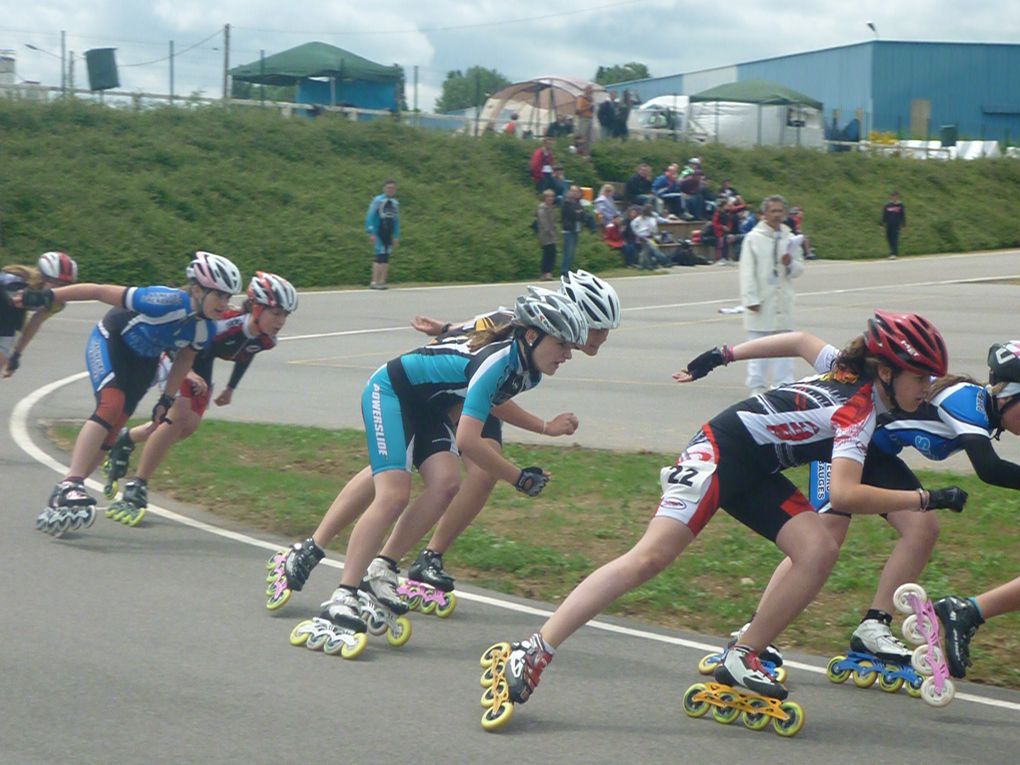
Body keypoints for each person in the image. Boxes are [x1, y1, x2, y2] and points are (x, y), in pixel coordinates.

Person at [486, 310, 966, 719]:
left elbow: (799, 341)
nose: (927, 387)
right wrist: (922, 500)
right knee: (649, 559)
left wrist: (723, 354)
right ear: (885, 370)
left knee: (817, 548)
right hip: (717, 453)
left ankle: (743, 655)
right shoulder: (858, 411)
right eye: (920, 377)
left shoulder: (847, 370)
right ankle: (537, 648)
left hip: (757, 467)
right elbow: (845, 491)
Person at [266, 273, 620, 612]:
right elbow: (470, 433)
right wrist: (519, 477)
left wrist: (544, 429)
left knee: (442, 482)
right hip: (396, 391)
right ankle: (343, 588)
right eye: (572, 340)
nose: (577, 348)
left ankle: (381, 566)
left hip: (437, 402)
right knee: (394, 491)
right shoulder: (505, 351)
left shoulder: (530, 366)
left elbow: (490, 395)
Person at [20, 251, 241, 535]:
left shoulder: (205, 328)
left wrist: (166, 398)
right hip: (112, 340)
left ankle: (67, 493)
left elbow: (185, 360)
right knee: (111, 406)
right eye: (218, 295)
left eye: (228, 296)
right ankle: (70, 484)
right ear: (197, 289)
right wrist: (49, 297)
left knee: (114, 429)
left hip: (143, 361)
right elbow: (99, 291)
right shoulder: (164, 300)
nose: (224, 303)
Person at [102, 272, 297, 525]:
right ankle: (137, 486)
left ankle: (126, 439)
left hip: (201, 366)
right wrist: (188, 372)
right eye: (276, 313)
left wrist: (230, 388)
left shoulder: (266, 339)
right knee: (178, 414)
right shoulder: (223, 324)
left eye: (286, 315)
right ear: (257, 308)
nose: (281, 321)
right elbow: (178, 343)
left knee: (187, 426)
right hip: (175, 355)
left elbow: (246, 355)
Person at [739, 194, 804, 395]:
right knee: (758, 347)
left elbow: (799, 269)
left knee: (785, 346)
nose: (777, 215)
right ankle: (757, 386)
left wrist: (789, 263)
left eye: (780, 211)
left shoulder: (790, 238)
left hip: (782, 301)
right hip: (761, 301)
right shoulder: (753, 238)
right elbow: (746, 271)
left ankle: (783, 384)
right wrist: (750, 299)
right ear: (764, 214)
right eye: (773, 211)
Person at [2, 251, 78, 378]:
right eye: (56, 282)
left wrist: (16, 354)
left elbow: (35, 322)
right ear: (42, 277)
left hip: (12, 315)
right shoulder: (13, 280)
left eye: (65, 285)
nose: (60, 289)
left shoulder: (58, 301)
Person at [366, 180, 400, 290]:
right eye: (388, 188)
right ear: (384, 189)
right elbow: (370, 216)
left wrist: (396, 235)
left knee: (386, 256)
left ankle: (382, 281)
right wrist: (371, 232)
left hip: (389, 232)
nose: (390, 190)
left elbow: (396, 221)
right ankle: (374, 281)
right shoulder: (378, 200)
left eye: (393, 188)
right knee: (379, 255)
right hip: (379, 230)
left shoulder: (395, 203)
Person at [631, 204, 673, 270]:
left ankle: (643, 265)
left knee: (646, 251)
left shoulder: (652, 217)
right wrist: (641, 236)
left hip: (651, 237)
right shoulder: (637, 220)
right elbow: (634, 229)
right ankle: (666, 262)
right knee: (654, 249)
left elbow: (658, 224)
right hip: (642, 238)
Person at [560, 185, 584, 277]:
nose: (575, 193)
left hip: (576, 229)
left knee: (573, 251)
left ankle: (569, 269)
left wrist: (579, 213)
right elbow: (572, 215)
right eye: (573, 191)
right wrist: (578, 213)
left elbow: (582, 215)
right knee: (567, 251)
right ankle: (565, 270)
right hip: (569, 229)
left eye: (576, 191)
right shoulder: (567, 202)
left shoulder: (578, 203)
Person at [536, 189, 559, 281]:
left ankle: (548, 272)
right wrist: (550, 232)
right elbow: (544, 221)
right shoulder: (542, 208)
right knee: (548, 253)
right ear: (545, 198)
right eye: (549, 197)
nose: (551, 199)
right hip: (545, 234)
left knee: (552, 253)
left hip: (551, 233)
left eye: (552, 197)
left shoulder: (551, 207)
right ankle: (545, 273)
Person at [882, 190, 906, 259]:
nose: (895, 198)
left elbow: (902, 215)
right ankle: (892, 252)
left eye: (896, 196)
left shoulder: (900, 205)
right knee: (889, 238)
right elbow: (884, 215)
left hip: (896, 224)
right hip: (889, 224)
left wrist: (903, 224)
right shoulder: (887, 205)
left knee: (895, 238)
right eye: (893, 196)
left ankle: (894, 253)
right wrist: (882, 223)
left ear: (898, 197)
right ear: (891, 197)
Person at [575, 85, 595, 156]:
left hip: (590, 119)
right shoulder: (581, 98)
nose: (591, 91)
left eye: (592, 90)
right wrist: (588, 107)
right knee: (582, 138)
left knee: (589, 139)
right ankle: (580, 154)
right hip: (583, 119)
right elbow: (578, 111)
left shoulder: (592, 99)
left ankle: (587, 155)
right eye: (590, 89)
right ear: (585, 90)